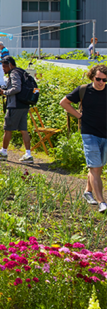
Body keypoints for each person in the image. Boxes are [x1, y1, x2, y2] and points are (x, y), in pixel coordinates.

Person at [59, 64, 107, 213]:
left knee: (98, 168)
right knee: (95, 167)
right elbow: (63, 102)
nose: (101, 82)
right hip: (89, 133)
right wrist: (79, 116)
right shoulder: (84, 90)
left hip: (105, 134)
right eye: (98, 79)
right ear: (92, 77)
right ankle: (101, 202)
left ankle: (87, 191)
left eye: (105, 80)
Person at [0, 57, 33, 163]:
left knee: (8, 128)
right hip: (24, 105)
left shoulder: (14, 73)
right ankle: (28, 154)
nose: (3, 69)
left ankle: (3, 152)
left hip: (15, 105)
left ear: (10, 64)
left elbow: (17, 88)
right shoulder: (21, 71)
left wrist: (4, 92)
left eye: (4, 66)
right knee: (24, 129)